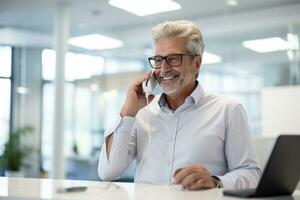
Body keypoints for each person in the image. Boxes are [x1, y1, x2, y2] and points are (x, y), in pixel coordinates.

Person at [98, 20, 262, 190]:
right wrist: (127, 112)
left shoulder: (228, 110)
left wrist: (216, 181)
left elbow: (251, 173)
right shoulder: (141, 112)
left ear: (196, 63)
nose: (164, 69)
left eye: (173, 59)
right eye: (159, 60)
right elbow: (108, 172)